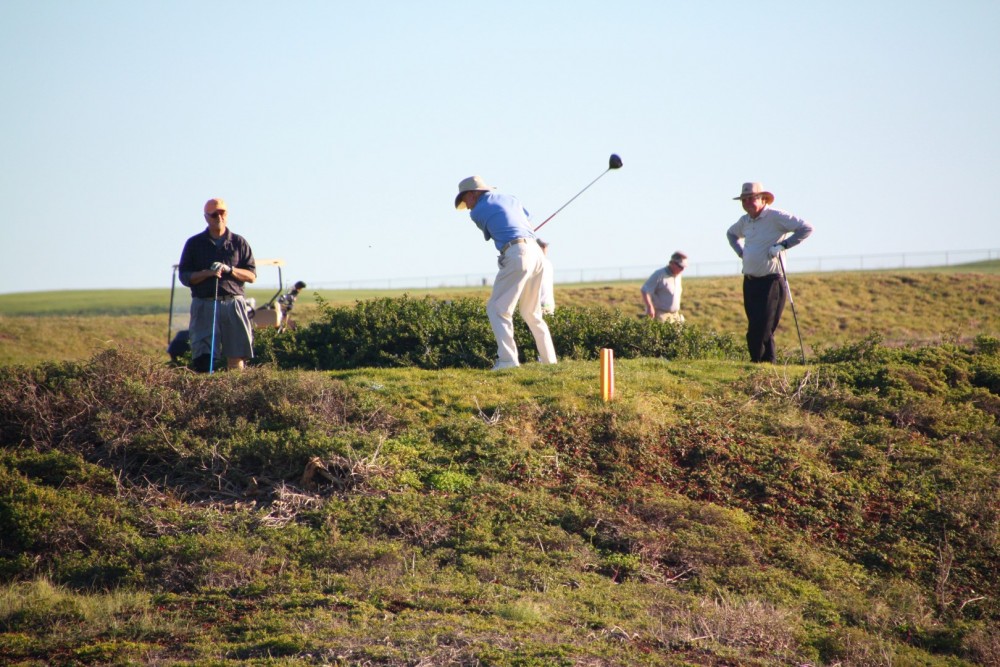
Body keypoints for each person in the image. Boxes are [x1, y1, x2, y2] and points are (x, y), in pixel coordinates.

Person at [455, 175, 557, 370]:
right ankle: (549, 362)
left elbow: (492, 235)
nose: (466, 206)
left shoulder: (476, 212)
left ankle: (507, 361)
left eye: (465, 200)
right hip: (536, 253)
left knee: (497, 308)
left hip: (518, 253)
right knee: (531, 313)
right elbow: (526, 220)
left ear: (473, 194)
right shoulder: (511, 198)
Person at [726, 182, 813, 363]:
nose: (747, 202)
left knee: (762, 328)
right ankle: (766, 364)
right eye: (744, 199)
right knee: (757, 327)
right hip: (750, 282)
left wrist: (783, 245)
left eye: (752, 198)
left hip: (771, 281)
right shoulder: (745, 221)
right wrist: (741, 252)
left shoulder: (776, 217)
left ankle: (759, 364)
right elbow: (731, 234)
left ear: (762, 198)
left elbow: (806, 228)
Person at [178, 197, 257, 371]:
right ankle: (205, 393)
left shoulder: (239, 242)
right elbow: (184, 276)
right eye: (214, 214)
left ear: (227, 215)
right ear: (206, 217)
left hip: (233, 303)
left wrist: (230, 270)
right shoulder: (194, 243)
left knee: (236, 356)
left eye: (222, 213)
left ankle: (236, 394)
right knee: (203, 356)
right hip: (204, 304)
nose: (218, 217)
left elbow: (251, 275)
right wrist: (208, 273)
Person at [641, 251, 687, 323]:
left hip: (675, 315)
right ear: (672, 263)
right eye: (680, 267)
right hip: (662, 314)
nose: (682, 269)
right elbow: (645, 290)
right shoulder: (659, 274)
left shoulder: (678, 276)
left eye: (684, 267)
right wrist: (650, 307)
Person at [537, 239, 556, 315]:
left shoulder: (546, 263)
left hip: (545, 305)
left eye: (545, 246)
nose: (545, 249)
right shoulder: (546, 263)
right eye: (542, 246)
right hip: (541, 305)